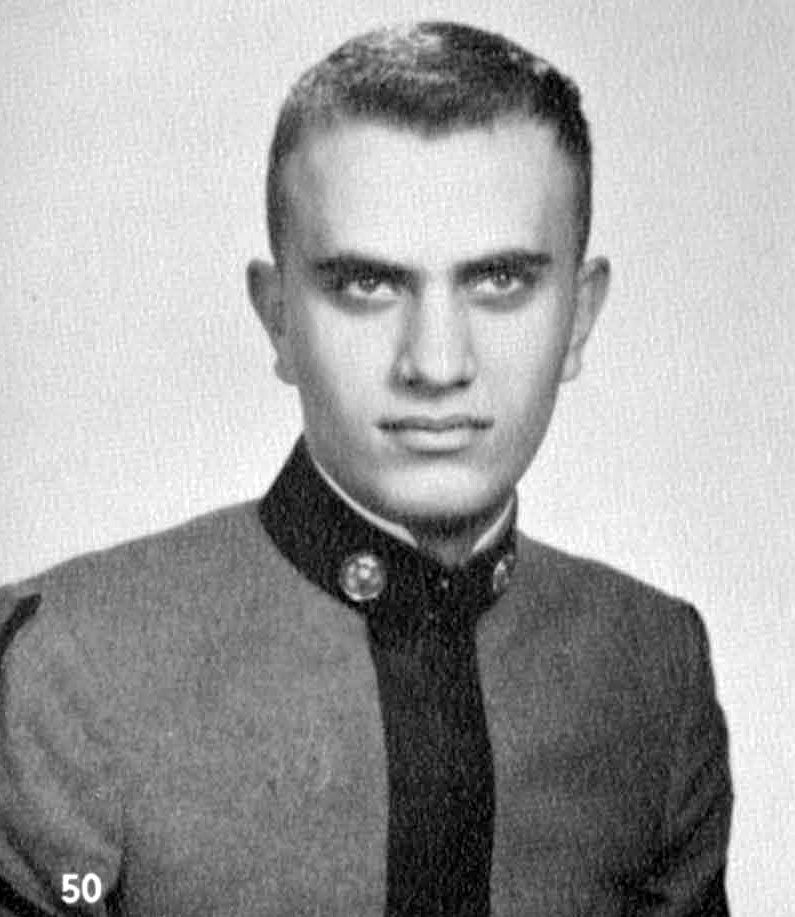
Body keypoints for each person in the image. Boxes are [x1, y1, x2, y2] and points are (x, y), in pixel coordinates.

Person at [0, 20, 732, 916]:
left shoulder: (654, 668)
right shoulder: (66, 668)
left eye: (500, 280)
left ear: (578, 317)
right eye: (367, 284)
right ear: (278, 317)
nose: (435, 363)